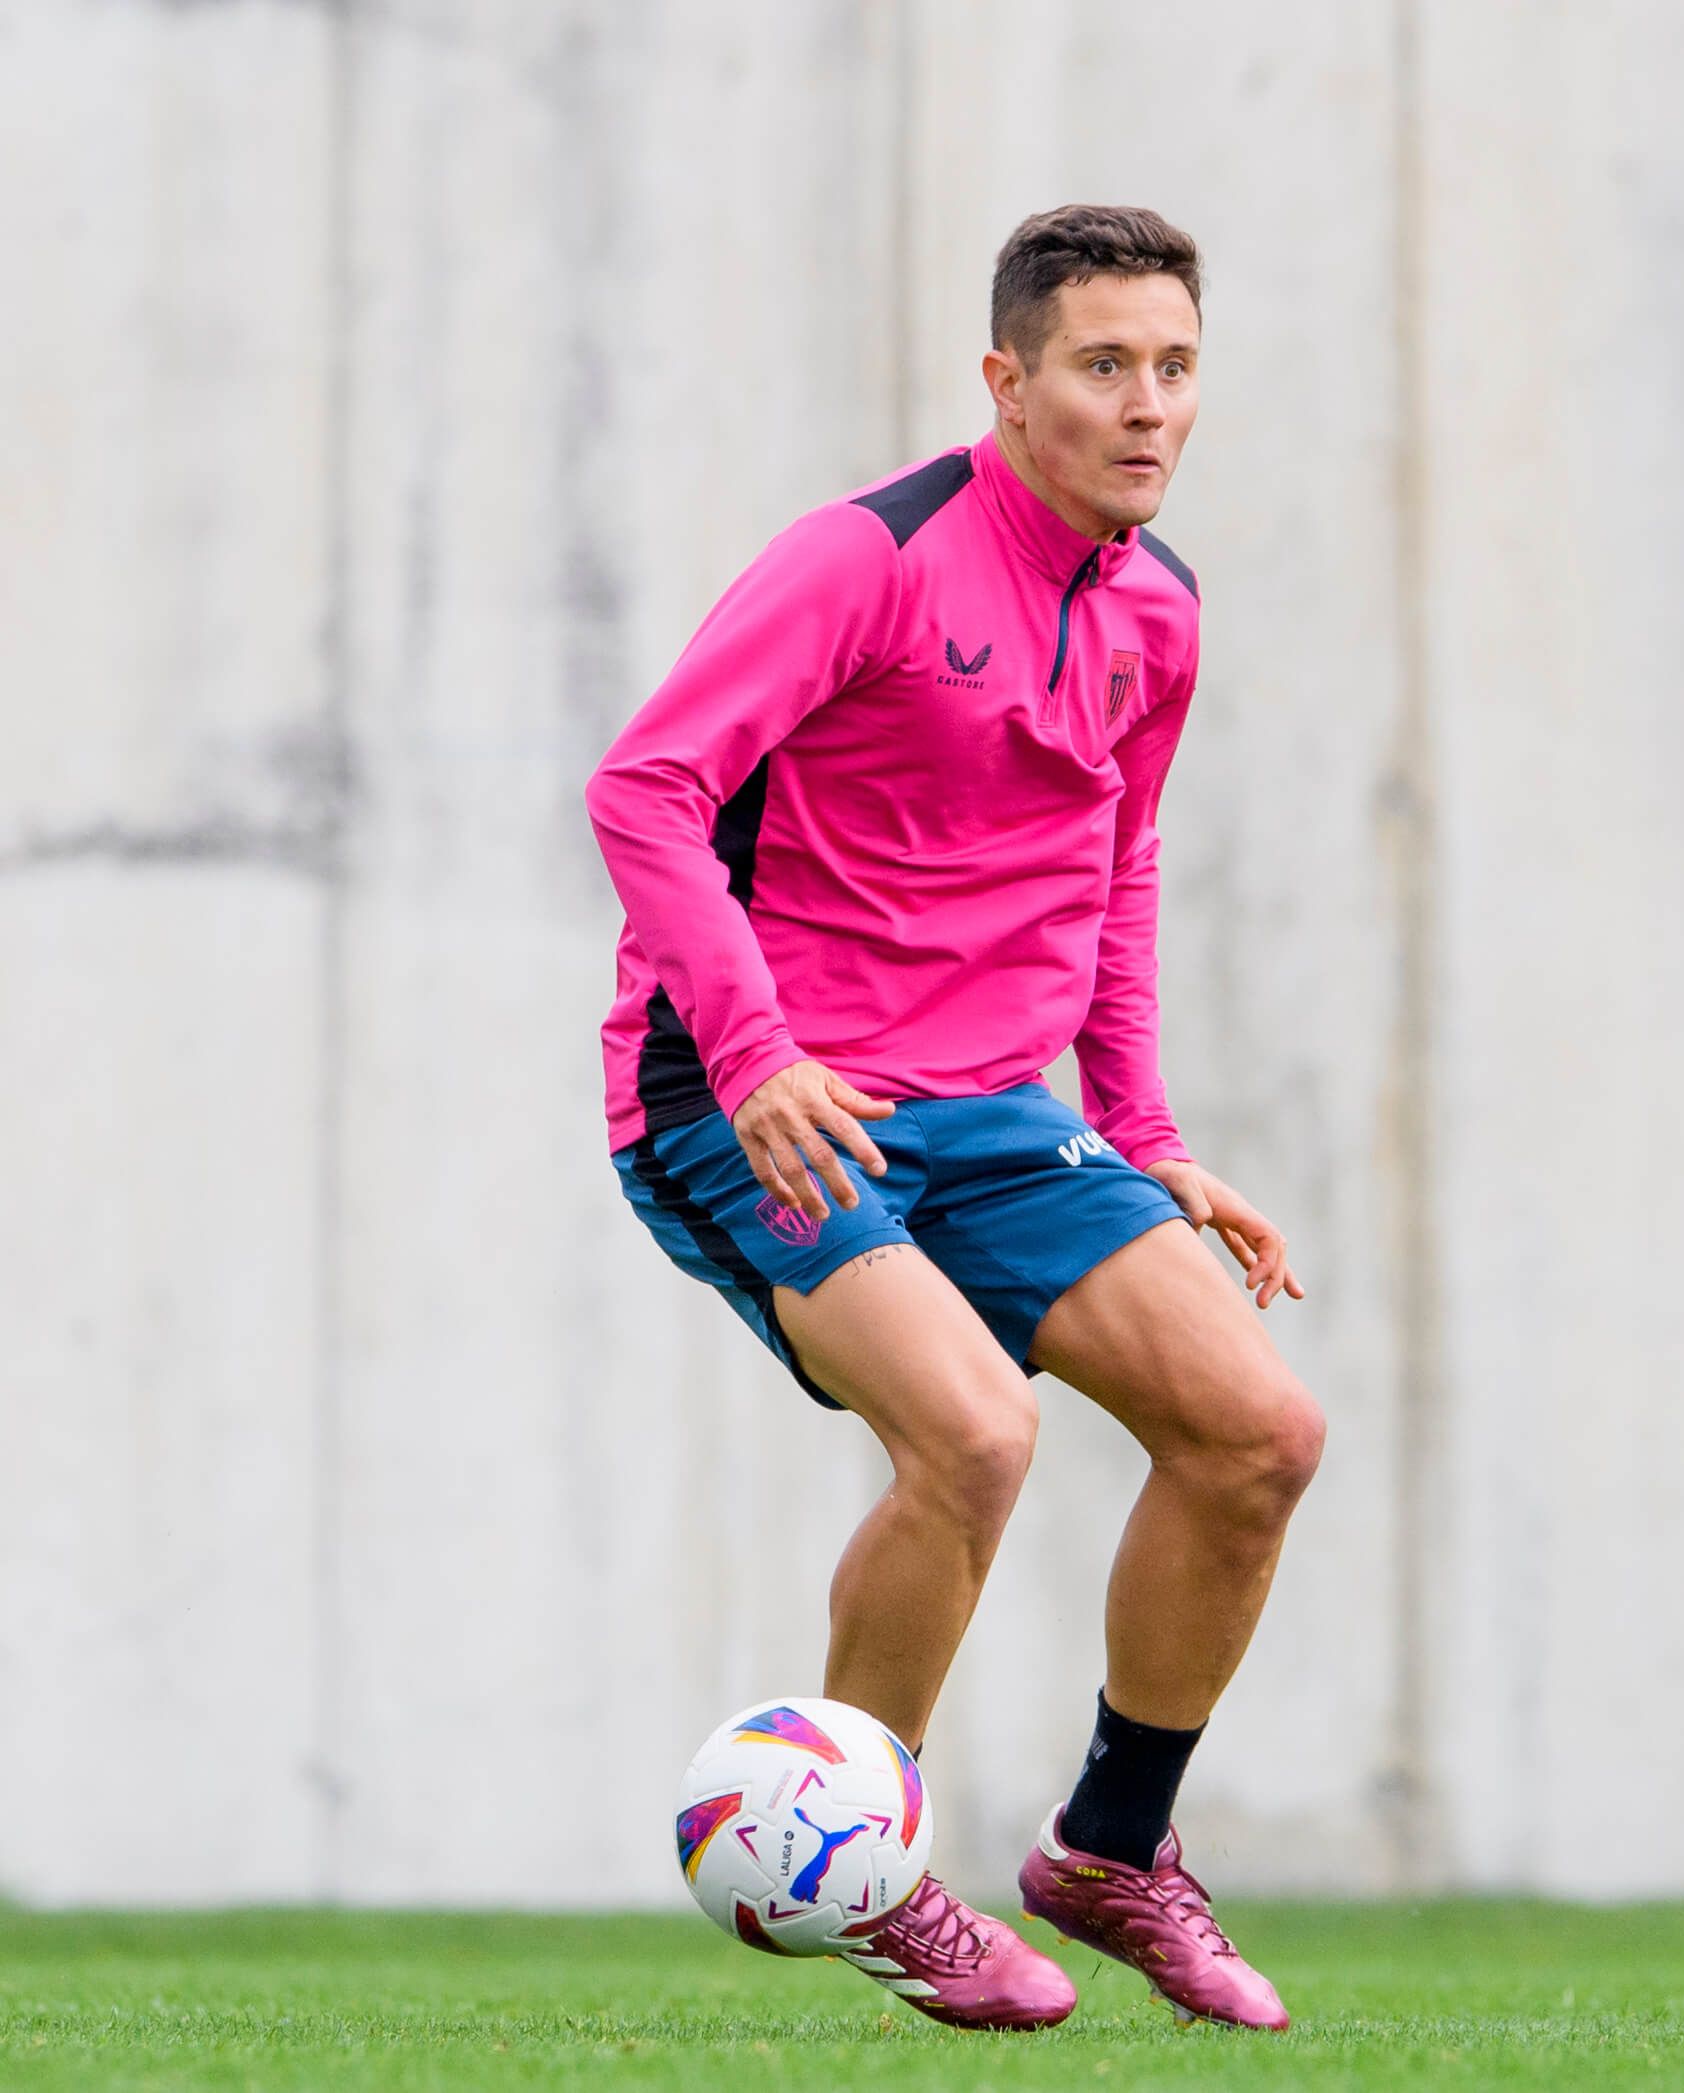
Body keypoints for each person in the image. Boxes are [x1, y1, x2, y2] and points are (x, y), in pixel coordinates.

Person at [589, 205, 1318, 2033]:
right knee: (978, 1437)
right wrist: (753, 1059)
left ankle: (1109, 1850)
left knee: (1258, 1430)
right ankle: (868, 1866)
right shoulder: (868, 560)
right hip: (753, 1091)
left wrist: (1142, 1129)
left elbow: (1118, 862)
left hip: (995, 1110)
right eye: (1103, 366)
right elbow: (645, 792)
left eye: (1175, 368)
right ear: (1007, 383)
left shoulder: (1160, 606)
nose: (1147, 408)